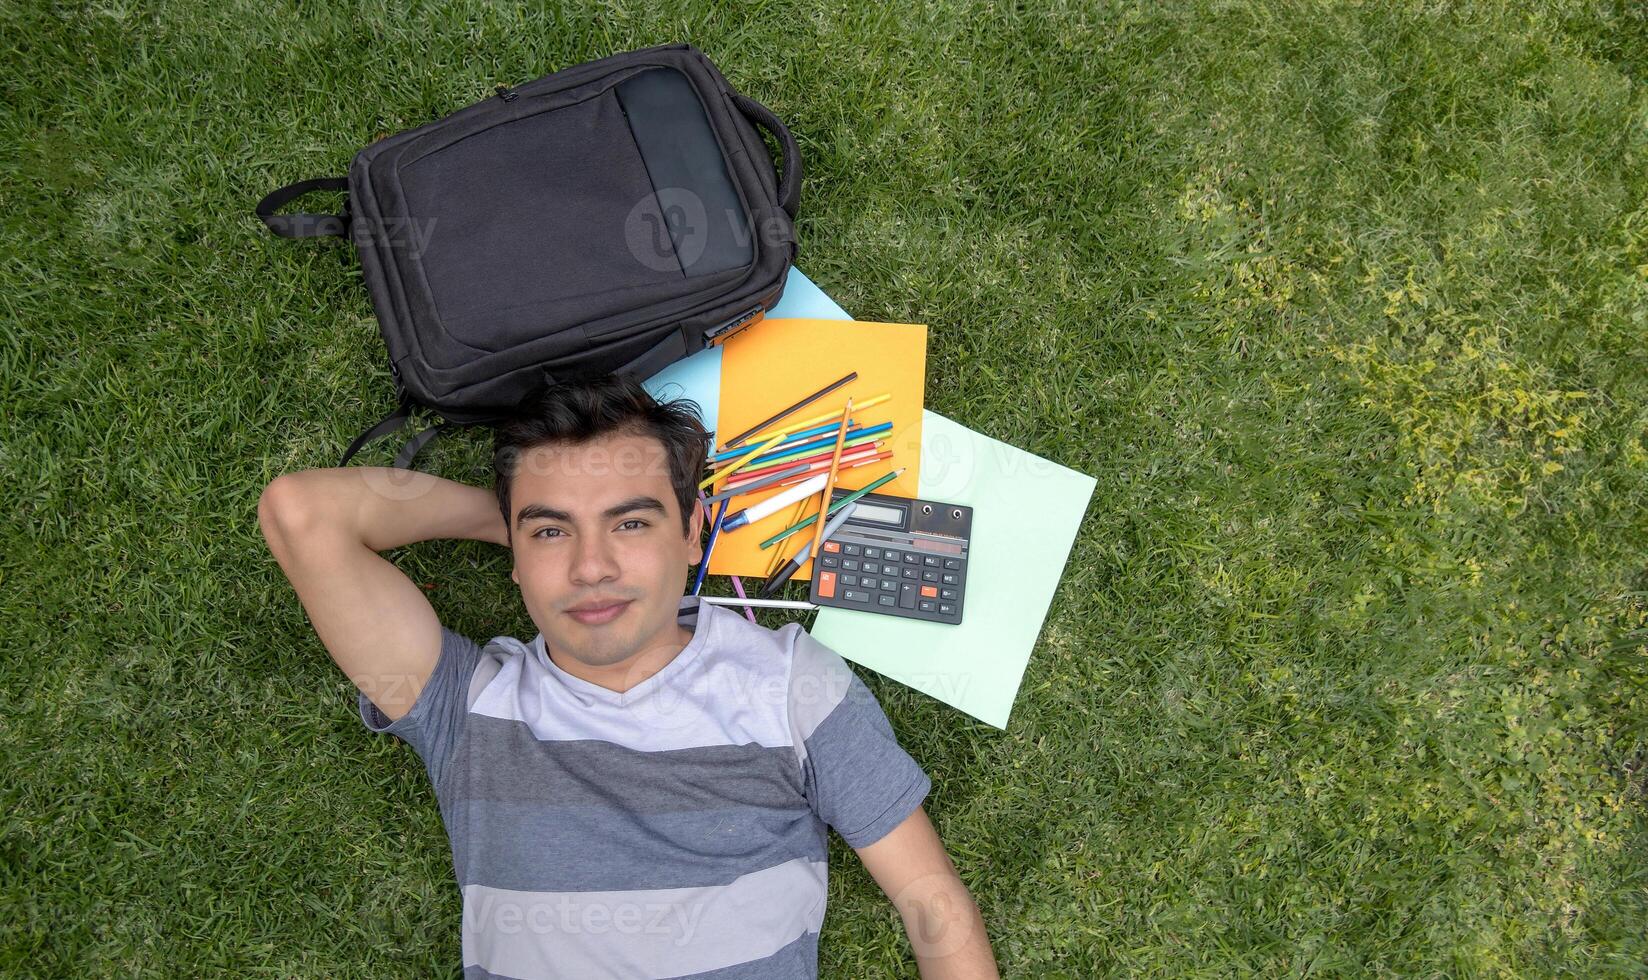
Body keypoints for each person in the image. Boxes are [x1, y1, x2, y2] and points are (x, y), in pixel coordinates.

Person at [257, 375, 999, 979]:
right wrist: (506, 521)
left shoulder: (788, 684)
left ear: (692, 529)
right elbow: (302, 513)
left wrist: (540, 522)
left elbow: (931, 903)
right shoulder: (467, 704)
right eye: (552, 532)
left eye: (631, 522)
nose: (590, 567)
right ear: (515, 555)